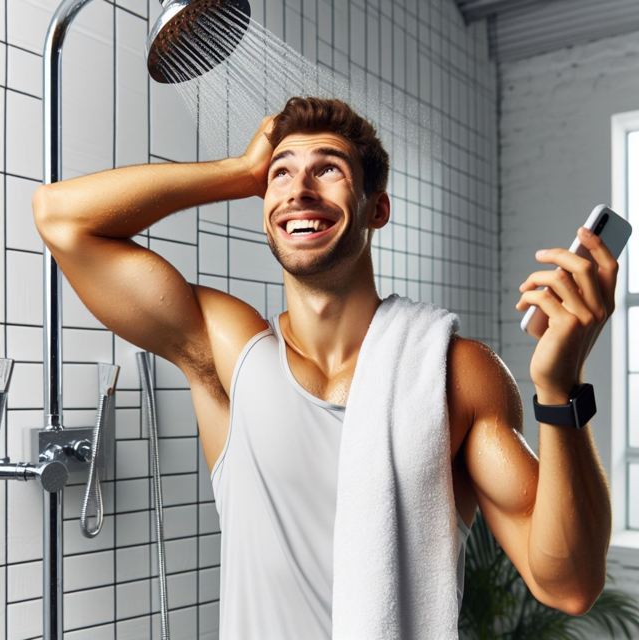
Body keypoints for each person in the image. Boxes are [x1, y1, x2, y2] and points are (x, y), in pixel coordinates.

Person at [33, 97, 614, 637]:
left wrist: (561, 387)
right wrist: (240, 171)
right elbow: (60, 218)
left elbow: (567, 585)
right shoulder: (229, 353)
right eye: (281, 173)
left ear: (376, 208)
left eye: (328, 169)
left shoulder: (451, 373)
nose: (299, 191)